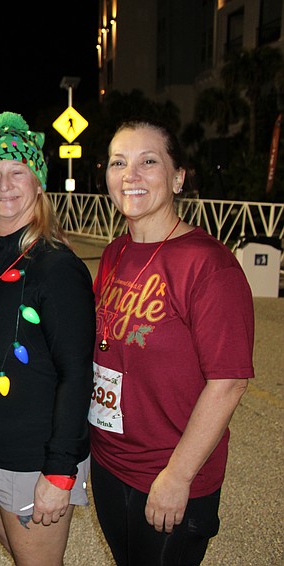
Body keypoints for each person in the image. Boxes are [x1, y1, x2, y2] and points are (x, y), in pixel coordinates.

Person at [89, 117, 254, 566]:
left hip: (168, 471)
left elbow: (229, 382)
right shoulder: (115, 252)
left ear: (178, 178)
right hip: (109, 462)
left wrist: (177, 477)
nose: (131, 175)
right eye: (119, 162)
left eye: (148, 162)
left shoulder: (209, 267)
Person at [0, 112, 95, 565]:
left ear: (38, 184)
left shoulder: (55, 266)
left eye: (18, 172)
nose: (4, 183)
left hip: (34, 461)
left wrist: (58, 472)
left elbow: (77, 374)